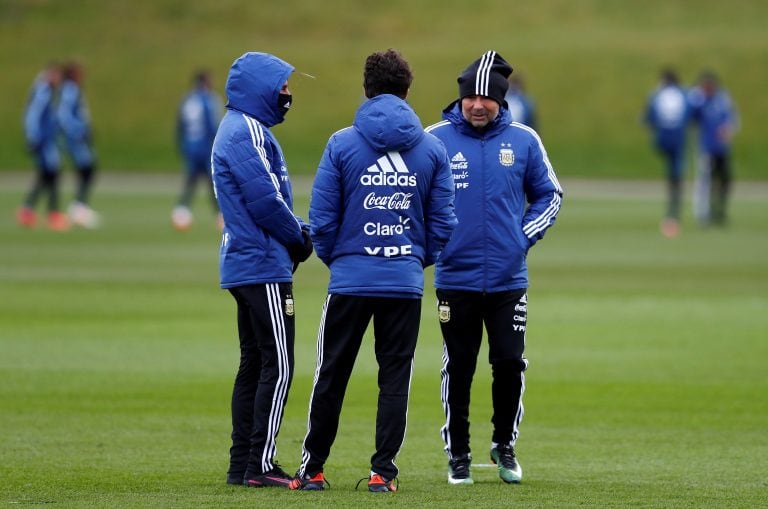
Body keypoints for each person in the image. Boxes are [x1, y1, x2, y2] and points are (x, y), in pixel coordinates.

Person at [289, 49, 456, 493]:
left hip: (349, 281)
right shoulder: (432, 149)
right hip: (403, 283)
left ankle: (314, 470)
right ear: (407, 90)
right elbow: (443, 224)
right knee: (394, 378)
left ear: (366, 89)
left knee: (331, 373)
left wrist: (340, 259)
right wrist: (411, 260)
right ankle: (383, 473)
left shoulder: (341, 143)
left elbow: (321, 220)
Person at [425, 50, 563, 486]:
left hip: (508, 280)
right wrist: (434, 244)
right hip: (455, 279)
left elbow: (550, 195)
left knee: (509, 362)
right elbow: (413, 195)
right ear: (460, 98)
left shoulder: (524, 140)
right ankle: (459, 453)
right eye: (471, 97)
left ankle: (505, 445)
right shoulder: (434, 139)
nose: (479, 105)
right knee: (459, 366)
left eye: (488, 98)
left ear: (502, 102)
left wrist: (521, 239)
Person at [211, 51, 313, 488]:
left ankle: (242, 464)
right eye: (283, 86)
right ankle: (261, 464)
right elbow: (266, 200)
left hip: (245, 262)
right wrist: (300, 237)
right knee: (281, 363)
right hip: (262, 263)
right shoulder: (246, 131)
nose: (288, 95)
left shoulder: (236, 129)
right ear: (260, 88)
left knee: (254, 363)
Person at [17, 63, 69, 231]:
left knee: (45, 176)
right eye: (56, 76)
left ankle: (27, 211)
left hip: (47, 140)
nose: (58, 80)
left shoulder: (49, 92)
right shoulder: (43, 92)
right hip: (44, 142)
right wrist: (32, 137)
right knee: (52, 175)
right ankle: (53, 215)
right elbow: (32, 115)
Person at [173, 70, 224, 231]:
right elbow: (211, 126)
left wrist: (181, 145)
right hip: (205, 147)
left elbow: (179, 125)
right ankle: (221, 215)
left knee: (192, 179)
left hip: (190, 147)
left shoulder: (187, 99)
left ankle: (181, 211)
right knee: (212, 181)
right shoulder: (209, 99)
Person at [688, 71, 738, 227]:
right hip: (706, 148)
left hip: (721, 148)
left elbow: (732, 119)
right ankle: (702, 214)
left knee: (725, 180)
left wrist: (729, 130)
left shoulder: (722, 100)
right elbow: (690, 116)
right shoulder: (699, 101)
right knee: (705, 182)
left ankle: (719, 211)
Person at [644, 68, 689, 238]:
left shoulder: (657, 94)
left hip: (663, 139)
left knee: (672, 174)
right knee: (676, 175)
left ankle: (672, 210)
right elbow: (690, 112)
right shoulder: (683, 94)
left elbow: (649, 117)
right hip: (677, 140)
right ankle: (674, 210)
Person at [58, 61, 100, 229]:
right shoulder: (70, 90)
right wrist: (79, 130)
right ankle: (78, 209)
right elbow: (64, 114)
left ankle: (79, 207)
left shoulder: (72, 90)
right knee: (87, 169)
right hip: (75, 139)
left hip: (78, 137)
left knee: (87, 170)